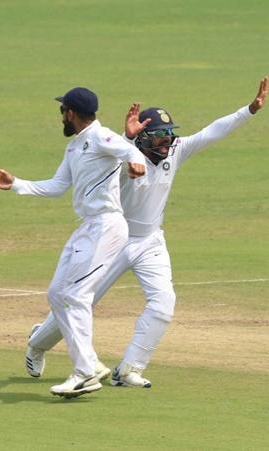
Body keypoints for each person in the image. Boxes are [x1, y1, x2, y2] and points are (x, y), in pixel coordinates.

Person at [24, 76, 268, 388]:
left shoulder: (176, 150)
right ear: (142, 138)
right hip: (113, 240)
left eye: (169, 136)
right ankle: (37, 343)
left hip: (151, 239)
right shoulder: (119, 158)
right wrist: (126, 141)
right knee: (80, 302)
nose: (167, 142)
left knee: (164, 303)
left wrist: (250, 110)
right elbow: (107, 154)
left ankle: (128, 370)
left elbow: (212, 133)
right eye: (159, 137)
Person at [0, 87, 148, 398]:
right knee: (58, 293)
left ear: (71, 113)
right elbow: (58, 185)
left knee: (76, 294)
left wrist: (137, 159)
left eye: (62, 110)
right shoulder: (75, 148)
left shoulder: (101, 136)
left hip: (108, 227)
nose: (60, 115)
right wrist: (16, 184)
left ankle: (85, 371)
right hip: (88, 227)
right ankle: (88, 365)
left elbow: (128, 151)